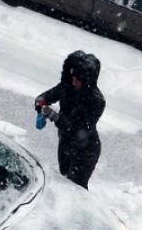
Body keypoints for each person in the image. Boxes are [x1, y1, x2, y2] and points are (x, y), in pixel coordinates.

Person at [35, 51, 105, 189]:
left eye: (77, 78)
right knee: (64, 178)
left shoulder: (96, 101)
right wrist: (40, 104)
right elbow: (44, 97)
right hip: (66, 143)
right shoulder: (66, 88)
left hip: (85, 151)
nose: (73, 81)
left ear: (86, 81)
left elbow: (77, 129)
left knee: (76, 187)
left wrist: (55, 117)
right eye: (72, 76)